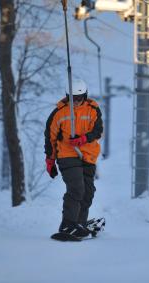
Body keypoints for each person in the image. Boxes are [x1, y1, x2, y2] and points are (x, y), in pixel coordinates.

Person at [44, 78, 103, 239]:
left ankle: (79, 223)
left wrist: (83, 139)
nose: (76, 102)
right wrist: (50, 159)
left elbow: (98, 131)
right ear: (67, 96)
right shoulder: (59, 113)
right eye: (73, 98)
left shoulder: (93, 109)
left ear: (85, 95)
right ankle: (67, 224)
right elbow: (50, 137)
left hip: (88, 156)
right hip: (67, 155)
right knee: (77, 188)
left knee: (88, 192)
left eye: (79, 98)